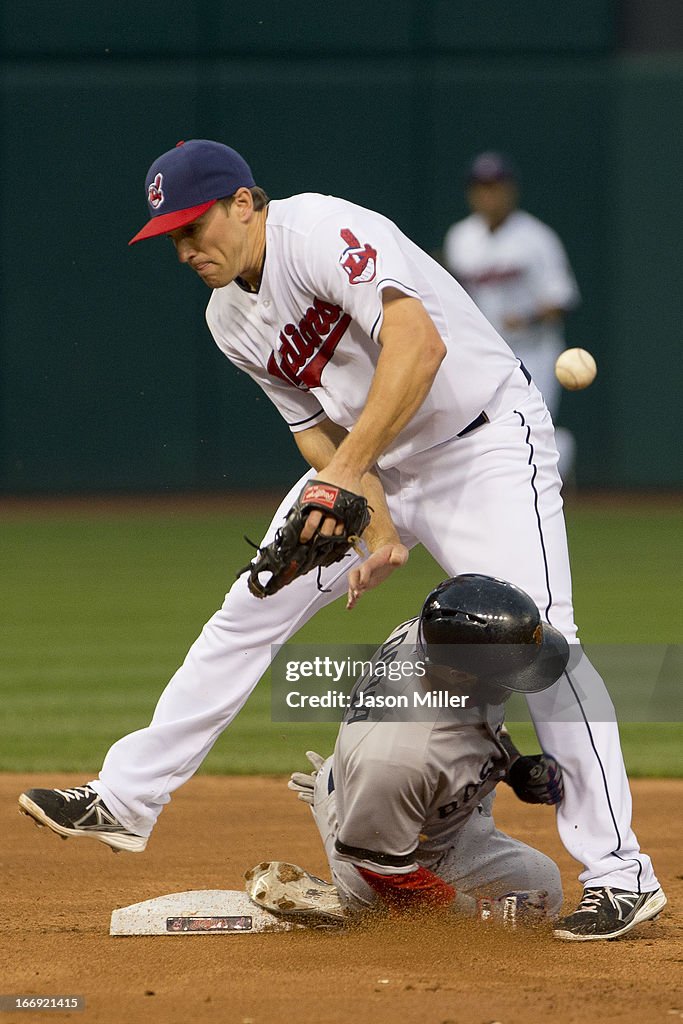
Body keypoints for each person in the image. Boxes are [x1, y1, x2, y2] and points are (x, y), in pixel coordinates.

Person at [19, 139, 664, 941]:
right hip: (373, 461)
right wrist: (378, 527)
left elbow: (418, 348)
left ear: (245, 203)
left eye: (196, 225)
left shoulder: (320, 232)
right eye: (172, 237)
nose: (186, 248)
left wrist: (350, 476)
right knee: (250, 605)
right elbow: (315, 431)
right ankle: (126, 797)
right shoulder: (228, 320)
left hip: (482, 442)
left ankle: (618, 874)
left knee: (542, 645)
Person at [249, 574, 569, 931]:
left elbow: (480, 722)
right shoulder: (400, 755)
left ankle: (365, 803)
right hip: (374, 864)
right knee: (535, 895)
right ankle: (356, 906)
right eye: (508, 671)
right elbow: (381, 870)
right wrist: (479, 913)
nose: (518, 679)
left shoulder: (437, 643)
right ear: (459, 676)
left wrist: (514, 766)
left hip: (404, 793)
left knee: (542, 889)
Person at [442, 151, 580, 482]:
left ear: (510, 190)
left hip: (533, 351)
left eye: (495, 186)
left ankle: (552, 468)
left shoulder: (536, 238)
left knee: (528, 432)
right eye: (481, 187)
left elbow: (562, 298)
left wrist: (528, 316)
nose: (488, 194)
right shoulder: (460, 238)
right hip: (484, 353)